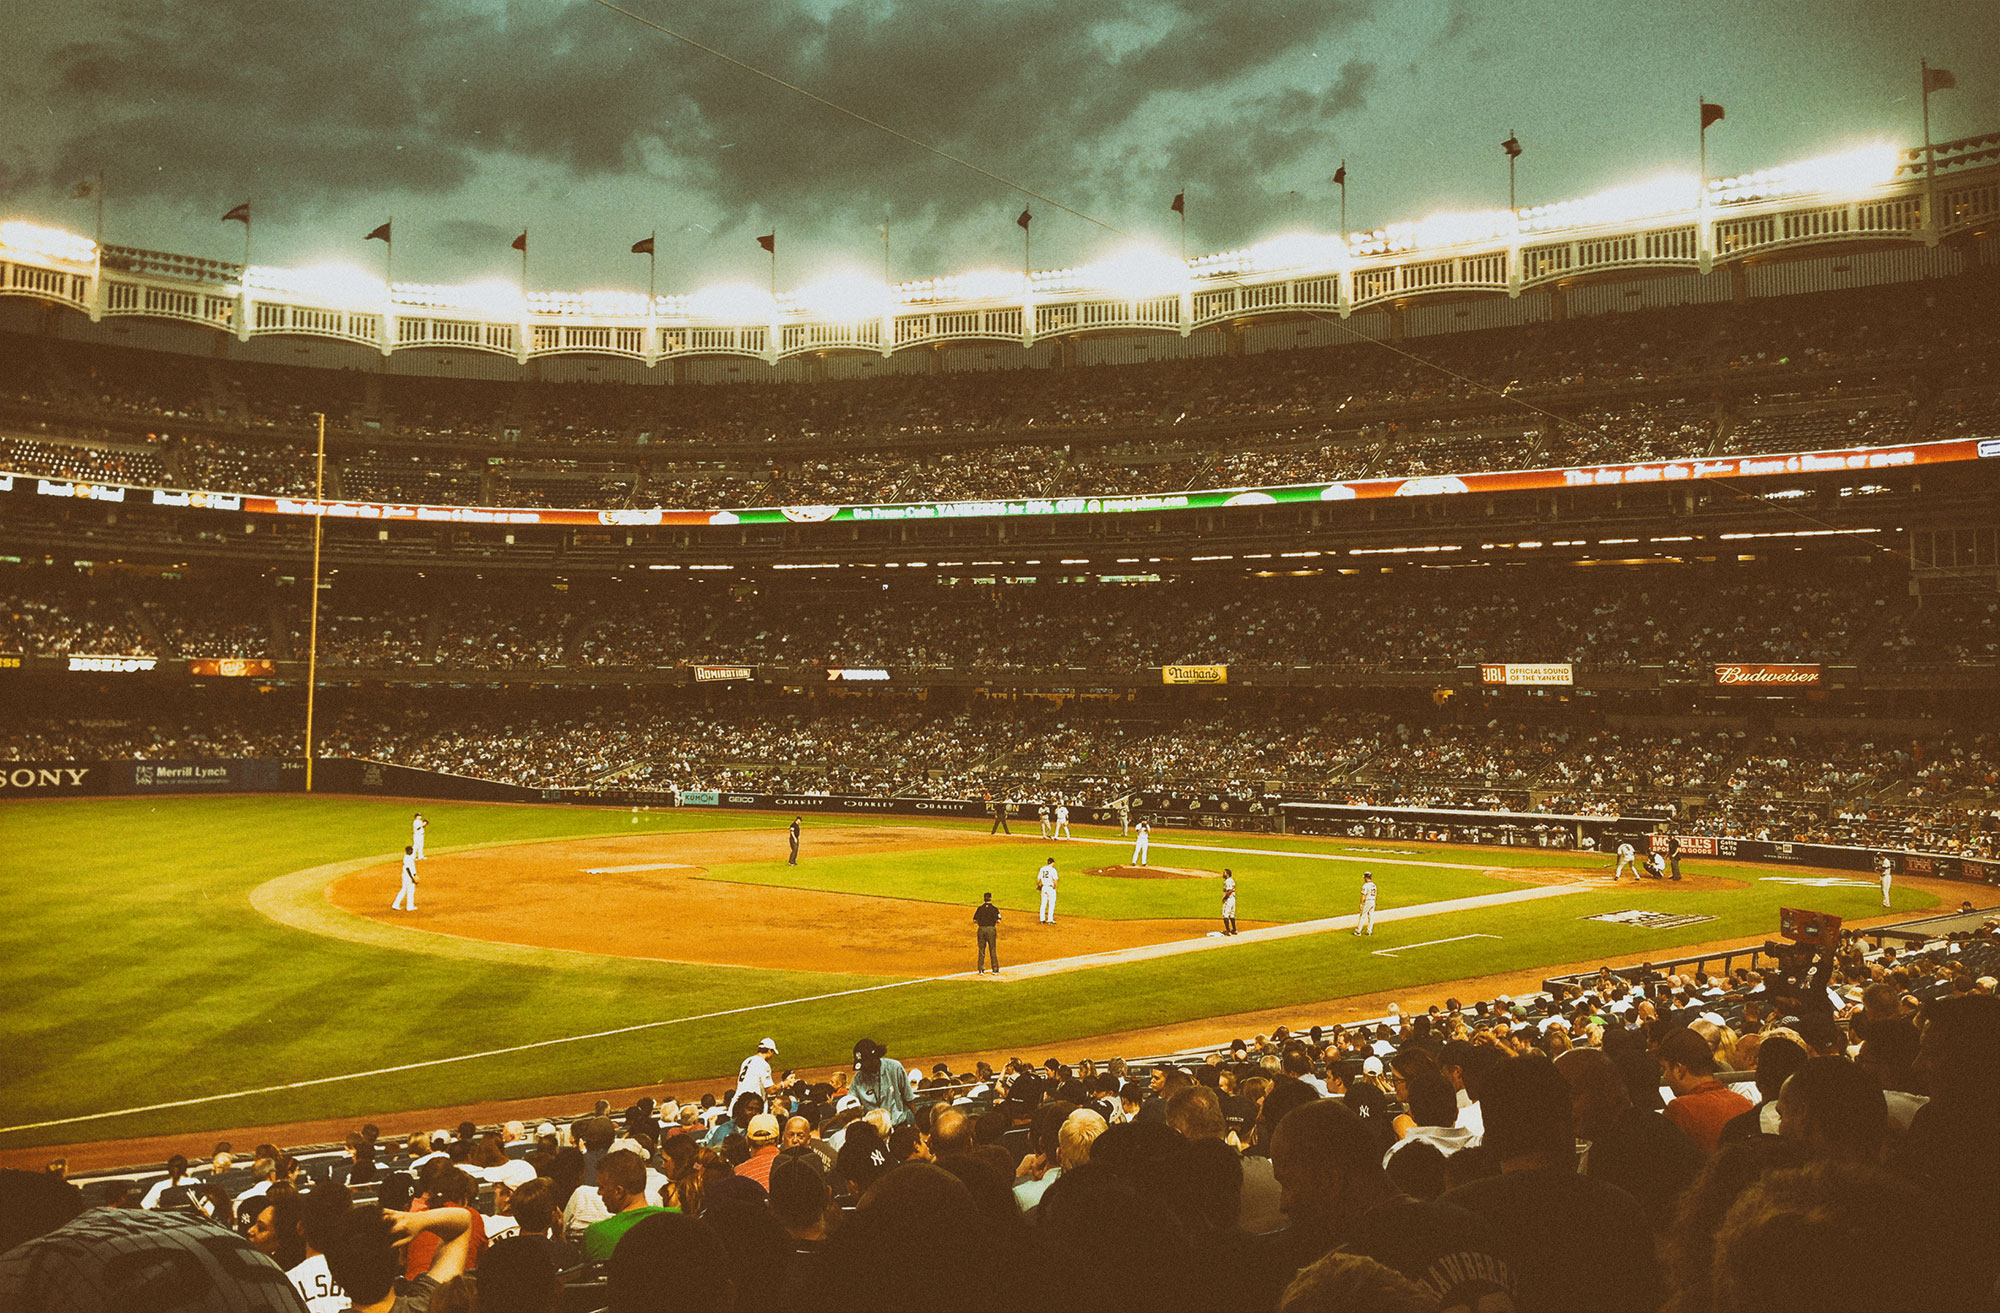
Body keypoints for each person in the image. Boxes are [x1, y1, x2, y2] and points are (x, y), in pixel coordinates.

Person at [850, 1038, 914, 1127]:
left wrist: (918, 1123)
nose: (863, 1069)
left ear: (874, 1059)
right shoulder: (857, 1079)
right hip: (873, 1130)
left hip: (898, 1125)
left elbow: (909, 1098)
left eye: (865, 1065)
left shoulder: (894, 1068)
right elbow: (851, 1107)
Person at [735, 1038, 779, 1106]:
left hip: (737, 1103)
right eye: (772, 1052)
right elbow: (770, 1090)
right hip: (751, 1106)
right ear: (769, 1050)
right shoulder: (763, 1064)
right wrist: (784, 1084)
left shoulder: (747, 1060)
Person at [974, 893, 1002, 974]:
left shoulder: (980, 908)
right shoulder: (994, 909)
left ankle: (981, 970)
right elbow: (998, 920)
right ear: (990, 898)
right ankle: (995, 969)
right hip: (991, 930)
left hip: (981, 929)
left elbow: (975, 920)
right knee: (992, 949)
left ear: (984, 899)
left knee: (981, 950)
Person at [392, 845, 419, 911]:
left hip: (406, 876)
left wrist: (415, 875)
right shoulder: (407, 858)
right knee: (410, 891)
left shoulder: (408, 857)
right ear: (409, 851)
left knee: (404, 890)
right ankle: (410, 907)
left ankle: (395, 904)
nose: (412, 851)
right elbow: (408, 869)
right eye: (411, 850)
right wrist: (412, 878)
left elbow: (412, 868)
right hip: (408, 877)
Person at [1036, 855, 1060, 924]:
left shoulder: (1042, 869)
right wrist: (1055, 887)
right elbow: (1055, 880)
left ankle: (1042, 919)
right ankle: (1050, 919)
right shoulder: (1053, 870)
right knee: (1051, 904)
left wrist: (1038, 885)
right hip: (1050, 888)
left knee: (1043, 903)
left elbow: (1038, 879)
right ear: (1052, 863)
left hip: (1044, 888)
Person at [1353, 872, 1376, 936]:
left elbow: (1363, 895)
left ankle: (1358, 931)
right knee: (1371, 916)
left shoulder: (1365, 885)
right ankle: (1369, 931)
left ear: (1366, 877)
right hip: (1373, 901)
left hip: (1367, 901)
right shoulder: (1374, 885)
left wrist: (1361, 904)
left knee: (1363, 916)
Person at [1221, 869, 1238, 936]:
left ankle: (1228, 931)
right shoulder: (1231, 880)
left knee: (1225, 914)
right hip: (1233, 899)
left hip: (1229, 899)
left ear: (1227, 874)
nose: (1223, 874)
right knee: (1232, 914)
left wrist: (1225, 898)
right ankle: (1234, 930)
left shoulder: (1228, 881)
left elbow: (1230, 890)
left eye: (1224, 873)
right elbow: (1234, 888)